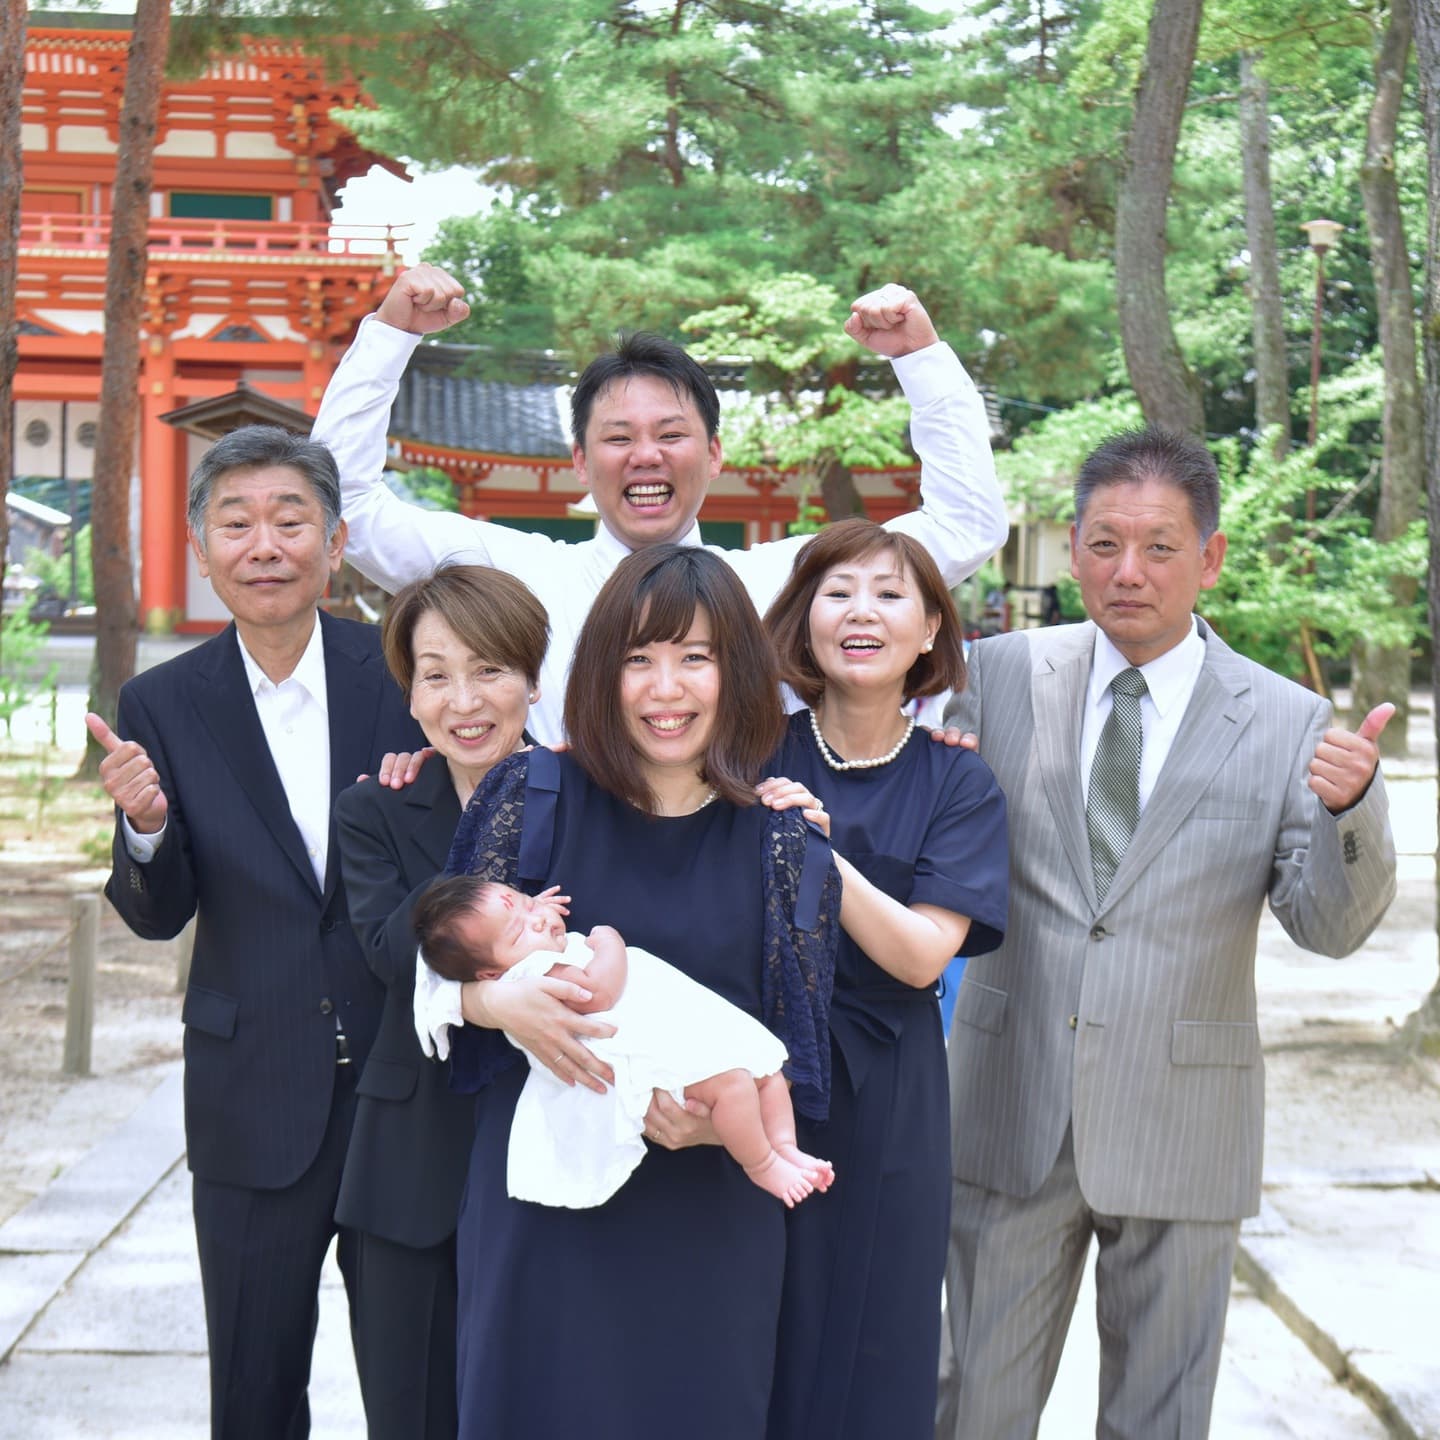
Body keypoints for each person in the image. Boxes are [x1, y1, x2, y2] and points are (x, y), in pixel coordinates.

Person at [935, 426, 1398, 1440]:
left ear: (1211, 557)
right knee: (970, 1407)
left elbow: (1325, 928)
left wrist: (1351, 813)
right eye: (1104, 544)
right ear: (1073, 545)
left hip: (1186, 1119)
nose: (1128, 572)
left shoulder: (1285, 721)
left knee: (1160, 1420)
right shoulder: (994, 676)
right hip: (1010, 1099)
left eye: (1158, 546)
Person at [427, 544, 839, 1438]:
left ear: (739, 673)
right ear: (602, 670)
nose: (666, 688)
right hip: (548, 1212)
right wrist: (495, 1005)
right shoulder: (530, 793)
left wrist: (713, 1121)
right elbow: (432, 982)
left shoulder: (781, 838)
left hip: (709, 1214)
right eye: (639, 658)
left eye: (696, 658)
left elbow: (799, 1049)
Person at [85, 426, 425, 1440]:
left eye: (290, 520)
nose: (263, 544)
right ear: (200, 546)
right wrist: (146, 829)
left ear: (336, 538)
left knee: (420, 1392)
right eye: (236, 523)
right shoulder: (160, 701)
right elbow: (160, 913)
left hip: (404, 1091)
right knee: (253, 1392)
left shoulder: (410, 675)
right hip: (249, 1094)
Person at [310, 263, 1009, 745]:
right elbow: (350, 511)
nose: (646, 456)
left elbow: (963, 524)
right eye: (618, 438)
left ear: (713, 455)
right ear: (580, 462)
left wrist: (920, 358)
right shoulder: (515, 577)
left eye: (671, 435)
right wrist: (388, 338)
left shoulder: (780, 582)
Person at [757, 518, 1010, 1440]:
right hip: (753, 1080)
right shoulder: (749, 749)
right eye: (838, 591)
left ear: (932, 628)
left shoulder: (958, 784)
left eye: (890, 592)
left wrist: (820, 853)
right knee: (755, 1335)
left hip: (892, 1091)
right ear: (805, 618)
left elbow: (918, 954)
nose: (861, 611)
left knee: (876, 1339)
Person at [331, 564, 550, 1439]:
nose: (465, 699)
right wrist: (492, 1002)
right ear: (410, 695)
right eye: (436, 674)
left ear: (534, 680)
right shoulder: (375, 809)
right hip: (406, 1167)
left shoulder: (594, 799)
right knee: (410, 1416)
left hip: (550, 1160)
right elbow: (390, 950)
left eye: (490, 668)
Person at [413, 874, 835, 1209]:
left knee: (767, 1073)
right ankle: (760, 1163)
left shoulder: (533, 945)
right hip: (644, 1060)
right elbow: (598, 992)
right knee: (736, 1084)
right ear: (490, 974)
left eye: (525, 904)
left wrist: (533, 912)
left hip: (673, 1036)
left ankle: (783, 1146)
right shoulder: (531, 977)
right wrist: (608, 939)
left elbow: (528, 919)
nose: (538, 920)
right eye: (518, 933)